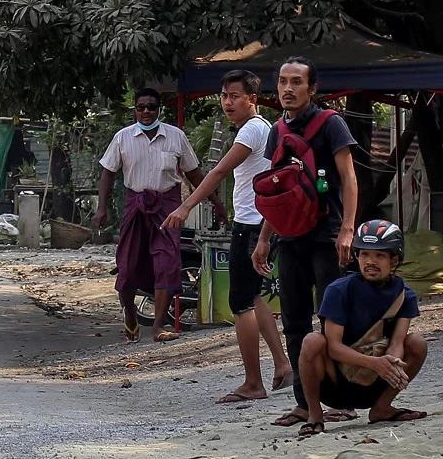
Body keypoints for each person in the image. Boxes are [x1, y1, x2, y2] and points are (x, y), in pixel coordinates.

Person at [162, 70, 293, 402]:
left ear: (252, 99)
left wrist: (186, 207)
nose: (227, 102)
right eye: (223, 96)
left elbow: (219, 171)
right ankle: (282, 365)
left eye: (234, 96)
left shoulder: (252, 130)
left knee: (240, 303)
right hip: (257, 222)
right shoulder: (262, 128)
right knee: (253, 296)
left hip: (252, 226)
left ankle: (253, 383)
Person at [252, 56, 360, 428]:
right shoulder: (276, 130)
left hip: (327, 235)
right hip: (290, 237)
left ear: (312, 89)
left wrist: (347, 229)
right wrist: (265, 238)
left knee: (333, 320)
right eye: (283, 81)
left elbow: (348, 178)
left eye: (296, 82)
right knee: (295, 323)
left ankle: (341, 400)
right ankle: (304, 402)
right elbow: (276, 189)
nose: (287, 88)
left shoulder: (332, 124)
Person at [92, 88, 224, 343]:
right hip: (136, 205)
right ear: (135, 110)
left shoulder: (176, 137)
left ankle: (158, 327)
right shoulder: (123, 138)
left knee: (166, 264)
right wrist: (101, 208)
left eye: (151, 107)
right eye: (141, 107)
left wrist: (216, 203)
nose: (146, 112)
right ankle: (130, 314)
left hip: (167, 208)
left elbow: (194, 174)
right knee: (128, 267)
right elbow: (107, 173)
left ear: (159, 110)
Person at [296, 220, 427, 436]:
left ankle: (382, 408)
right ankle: (315, 415)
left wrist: (392, 364)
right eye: (365, 255)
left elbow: (397, 342)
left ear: (394, 260)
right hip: (335, 383)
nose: (370, 262)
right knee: (312, 341)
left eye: (379, 256)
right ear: (356, 257)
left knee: (417, 343)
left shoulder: (405, 295)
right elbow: (334, 348)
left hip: (376, 383)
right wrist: (375, 363)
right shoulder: (339, 291)